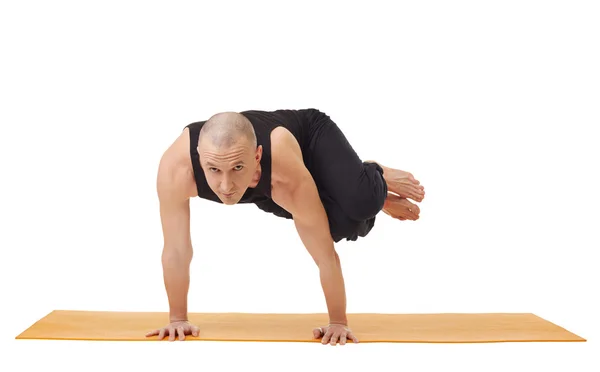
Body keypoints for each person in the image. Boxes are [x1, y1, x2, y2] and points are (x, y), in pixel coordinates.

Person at [146, 108, 425, 345]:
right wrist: (177, 319)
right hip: (266, 185)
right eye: (214, 170)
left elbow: (324, 254)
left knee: (360, 204)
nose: (226, 187)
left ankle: (372, 175)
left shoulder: (281, 173)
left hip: (310, 142)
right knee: (345, 228)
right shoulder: (175, 171)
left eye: (237, 169)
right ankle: (363, 188)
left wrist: (338, 322)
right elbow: (176, 250)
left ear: (257, 156)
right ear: (197, 155)